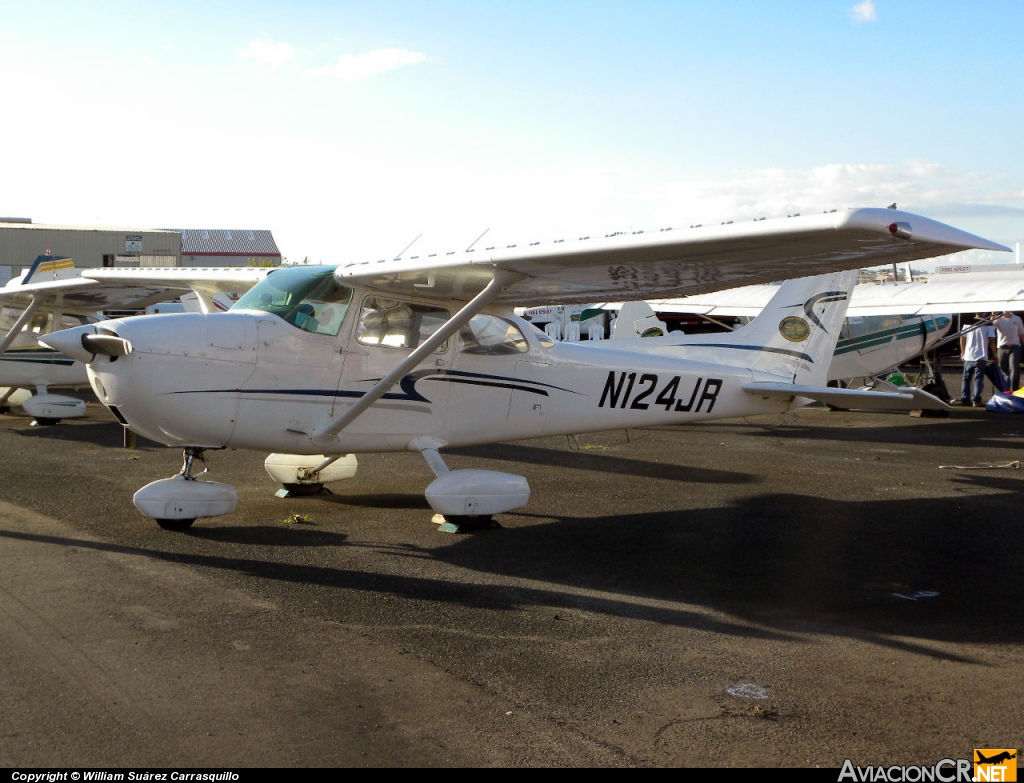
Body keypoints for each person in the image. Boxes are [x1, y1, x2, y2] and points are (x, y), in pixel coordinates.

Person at [960, 315, 998, 407]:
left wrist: (962, 351)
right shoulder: (987, 323)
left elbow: (962, 337)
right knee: (978, 379)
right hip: (981, 355)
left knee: (966, 379)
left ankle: (965, 398)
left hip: (968, 355)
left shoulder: (967, 323)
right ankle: (976, 400)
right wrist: (994, 354)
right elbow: (991, 340)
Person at [993, 310, 1024, 392]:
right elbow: (991, 328)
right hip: (1002, 347)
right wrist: (993, 316)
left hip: (1015, 346)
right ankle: (1005, 389)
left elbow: (1021, 333)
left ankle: (1014, 389)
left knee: (1013, 368)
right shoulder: (998, 319)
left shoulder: (1017, 319)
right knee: (1003, 369)